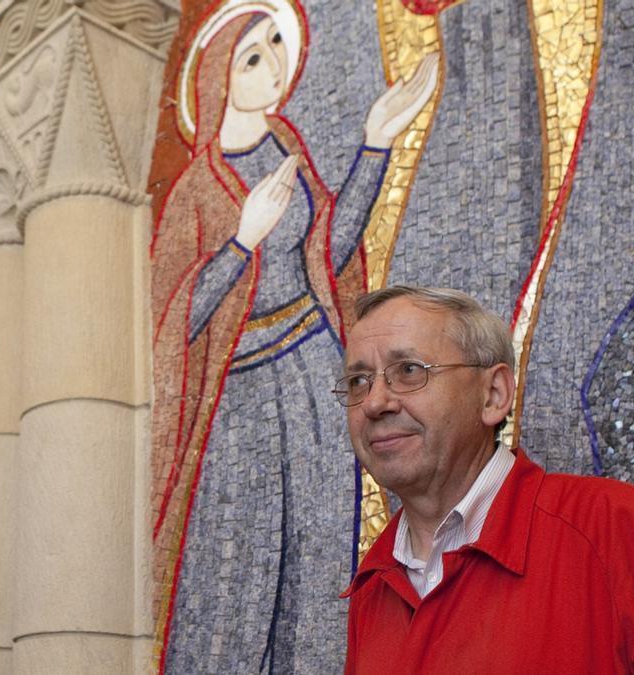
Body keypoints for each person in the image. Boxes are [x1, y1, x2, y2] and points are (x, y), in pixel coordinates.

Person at [149, 0, 440, 670]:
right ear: (220, 73)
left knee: (318, 551)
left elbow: (324, 251)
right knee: (238, 566)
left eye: (278, 44)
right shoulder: (198, 188)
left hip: (312, 368)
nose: (275, 65)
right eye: (254, 56)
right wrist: (240, 242)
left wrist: (376, 142)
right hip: (243, 397)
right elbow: (175, 323)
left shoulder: (286, 146)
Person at [339, 285, 634, 674]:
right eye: (358, 381)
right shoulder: (374, 584)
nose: (376, 402)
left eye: (409, 371)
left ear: (493, 394)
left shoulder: (619, 528)